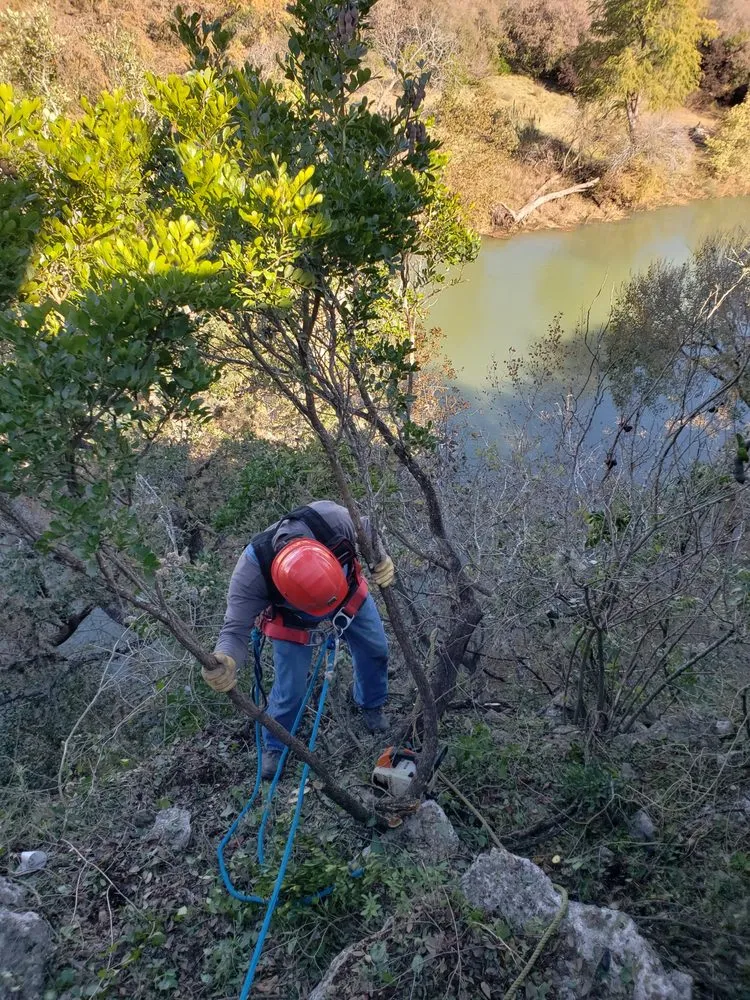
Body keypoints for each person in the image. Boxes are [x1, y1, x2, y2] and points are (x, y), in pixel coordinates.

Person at [202, 500, 395, 778]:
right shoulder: (252, 572)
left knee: (376, 649)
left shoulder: (334, 520)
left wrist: (381, 556)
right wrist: (226, 660)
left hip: (348, 595)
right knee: (290, 688)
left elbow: (367, 529)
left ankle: (371, 704)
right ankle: (275, 745)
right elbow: (234, 631)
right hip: (293, 622)